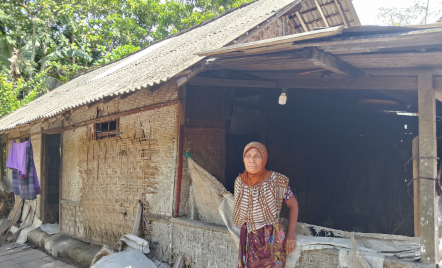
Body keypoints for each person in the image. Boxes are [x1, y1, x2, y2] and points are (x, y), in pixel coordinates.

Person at [233, 142, 299, 268]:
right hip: (248, 238)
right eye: (248, 156)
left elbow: (293, 205)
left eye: (257, 156)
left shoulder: (277, 181)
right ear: (243, 159)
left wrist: (291, 234)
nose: (252, 160)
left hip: (271, 238)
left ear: (264, 159)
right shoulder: (239, 182)